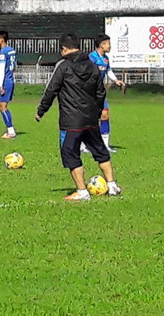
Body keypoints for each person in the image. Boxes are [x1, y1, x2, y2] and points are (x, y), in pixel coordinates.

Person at [35, 33, 122, 201]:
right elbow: (100, 91)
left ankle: (82, 191)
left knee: (70, 153)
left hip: (71, 121)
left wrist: (41, 111)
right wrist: (97, 112)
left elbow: (51, 90)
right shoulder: (92, 65)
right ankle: (112, 185)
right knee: (100, 151)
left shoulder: (63, 66)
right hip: (91, 119)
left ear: (63, 49)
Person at [88, 34, 126, 153]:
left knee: (105, 115)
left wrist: (116, 80)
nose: (110, 46)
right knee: (88, 118)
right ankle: (84, 144)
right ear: (101, 44)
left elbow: (108, 70)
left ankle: (105, 145)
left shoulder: (105, 59)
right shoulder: (92, 57)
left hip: (100, 91)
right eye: (108, 43)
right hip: (89, 92)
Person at [0, 30, 18, 139]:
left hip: (5, 80)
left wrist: (1, 85)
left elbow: (2, 69)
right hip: (10, 78)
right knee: (2, 105)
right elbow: (14, 66)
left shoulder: (3, 52)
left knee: (2, 106)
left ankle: (11, 131)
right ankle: (10, 129)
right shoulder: (12, 50)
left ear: (2, 39)